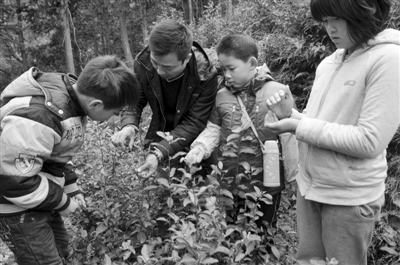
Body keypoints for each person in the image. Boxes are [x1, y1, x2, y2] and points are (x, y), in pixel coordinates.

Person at [264, 0, 400, 264]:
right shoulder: (329, 62)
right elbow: (322, 124)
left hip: (348, 198)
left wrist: (298, 126)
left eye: (336, 18)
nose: (329, 28)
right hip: (311, 188)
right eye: (324, 20)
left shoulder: (390, 59)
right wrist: (291, 115)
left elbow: (369, 140)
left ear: (364, 11)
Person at [0, 55, 140, 264]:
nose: (114, 117)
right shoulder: (38, 117)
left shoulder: (72, 101)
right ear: (95, 104)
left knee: (63, 252)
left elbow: (58, 152)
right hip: (15, 207)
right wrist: (63, 202)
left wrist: (71, 187)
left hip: (40, 196)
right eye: (114, 112)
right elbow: (15, 181)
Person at [184, 33, 298, 228]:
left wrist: (295, 176)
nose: (226, 75)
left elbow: (290, 135)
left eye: (232, 68)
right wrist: (200, 148)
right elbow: (213, 129)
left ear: (252, 63)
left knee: (264, 230)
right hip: (231, 183)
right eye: (223, 69)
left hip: (267, 184)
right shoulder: (221, 96)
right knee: (234, 230)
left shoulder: (276, 92)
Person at [111, 19, 218, 177]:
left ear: (187, 59)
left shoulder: (205, 75)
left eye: (168, 67)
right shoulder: (144, 63)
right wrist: (129, 125)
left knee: (198, 189)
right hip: (160, 134)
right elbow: (136, 99)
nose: (159, 71)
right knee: (162, 187)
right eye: (156, 63)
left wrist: (160, 151)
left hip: (196, 143)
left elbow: (194, 122)